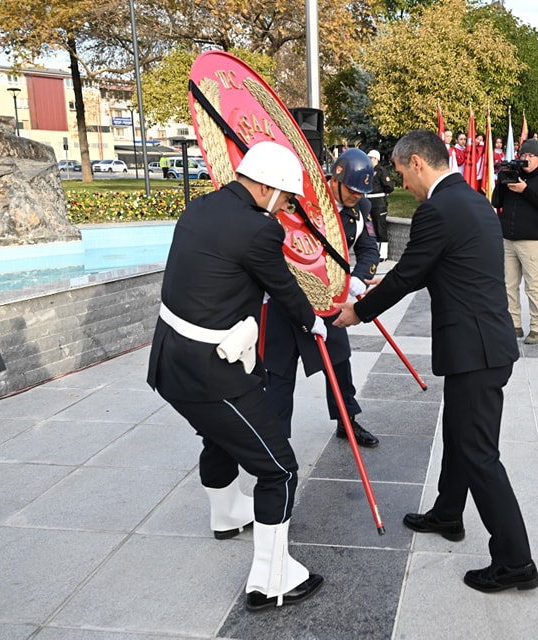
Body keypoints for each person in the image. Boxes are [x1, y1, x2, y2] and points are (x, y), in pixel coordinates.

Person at [333, 129, 538, 594]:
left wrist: (358, 311)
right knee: (457, 434)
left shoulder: (438, 210)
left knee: (480, 455)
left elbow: (408, 274)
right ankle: (449, 513)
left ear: (419, 163)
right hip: (483, 345)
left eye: (403, 173)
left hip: (476, 351)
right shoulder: (471, 200)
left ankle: (516, 561)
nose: (402, 183)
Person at [146, 141, 324, 611]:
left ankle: (226, 515)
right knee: (279, 469)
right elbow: (283, 287)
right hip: (210, 372)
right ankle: (271, 582)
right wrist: (314, 321)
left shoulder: (202, 206)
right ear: (264, 186)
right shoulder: (256, 230)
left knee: (219, 437)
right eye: (285, 197)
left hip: (170, 362)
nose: (286, 207)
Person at [264, 148, 381, 448]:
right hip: (288, 299)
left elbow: (368, 247)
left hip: (329, 298)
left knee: (340, 362)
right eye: (353, 189)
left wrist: (356, 278)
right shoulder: (303, 201)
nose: (357, 195)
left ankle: (347, 420)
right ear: (336, 179)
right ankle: (276, 438)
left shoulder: (362, 208)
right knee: (279, 370)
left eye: (362, 191)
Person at [492, 137, 538, 345]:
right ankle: (514, 325)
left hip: (532, 241)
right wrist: (503, 181)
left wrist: (526, 191)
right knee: (509, 285)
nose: (527, 159)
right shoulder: (514, 176)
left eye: (531, 156)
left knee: (533, 286)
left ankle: (537, 328)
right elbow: (496, 201)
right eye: (523, 156)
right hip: (508, 239)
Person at [367, 149, 394, 260]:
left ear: (376, 159)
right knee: (371, 229)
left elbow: (389, 187)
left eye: (371, 158)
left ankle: (383, 254)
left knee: (380, 228)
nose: (369, 160)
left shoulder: (382, 171)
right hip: (369, 203)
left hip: (379, 203)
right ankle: (374, 252)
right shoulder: (367, 171)